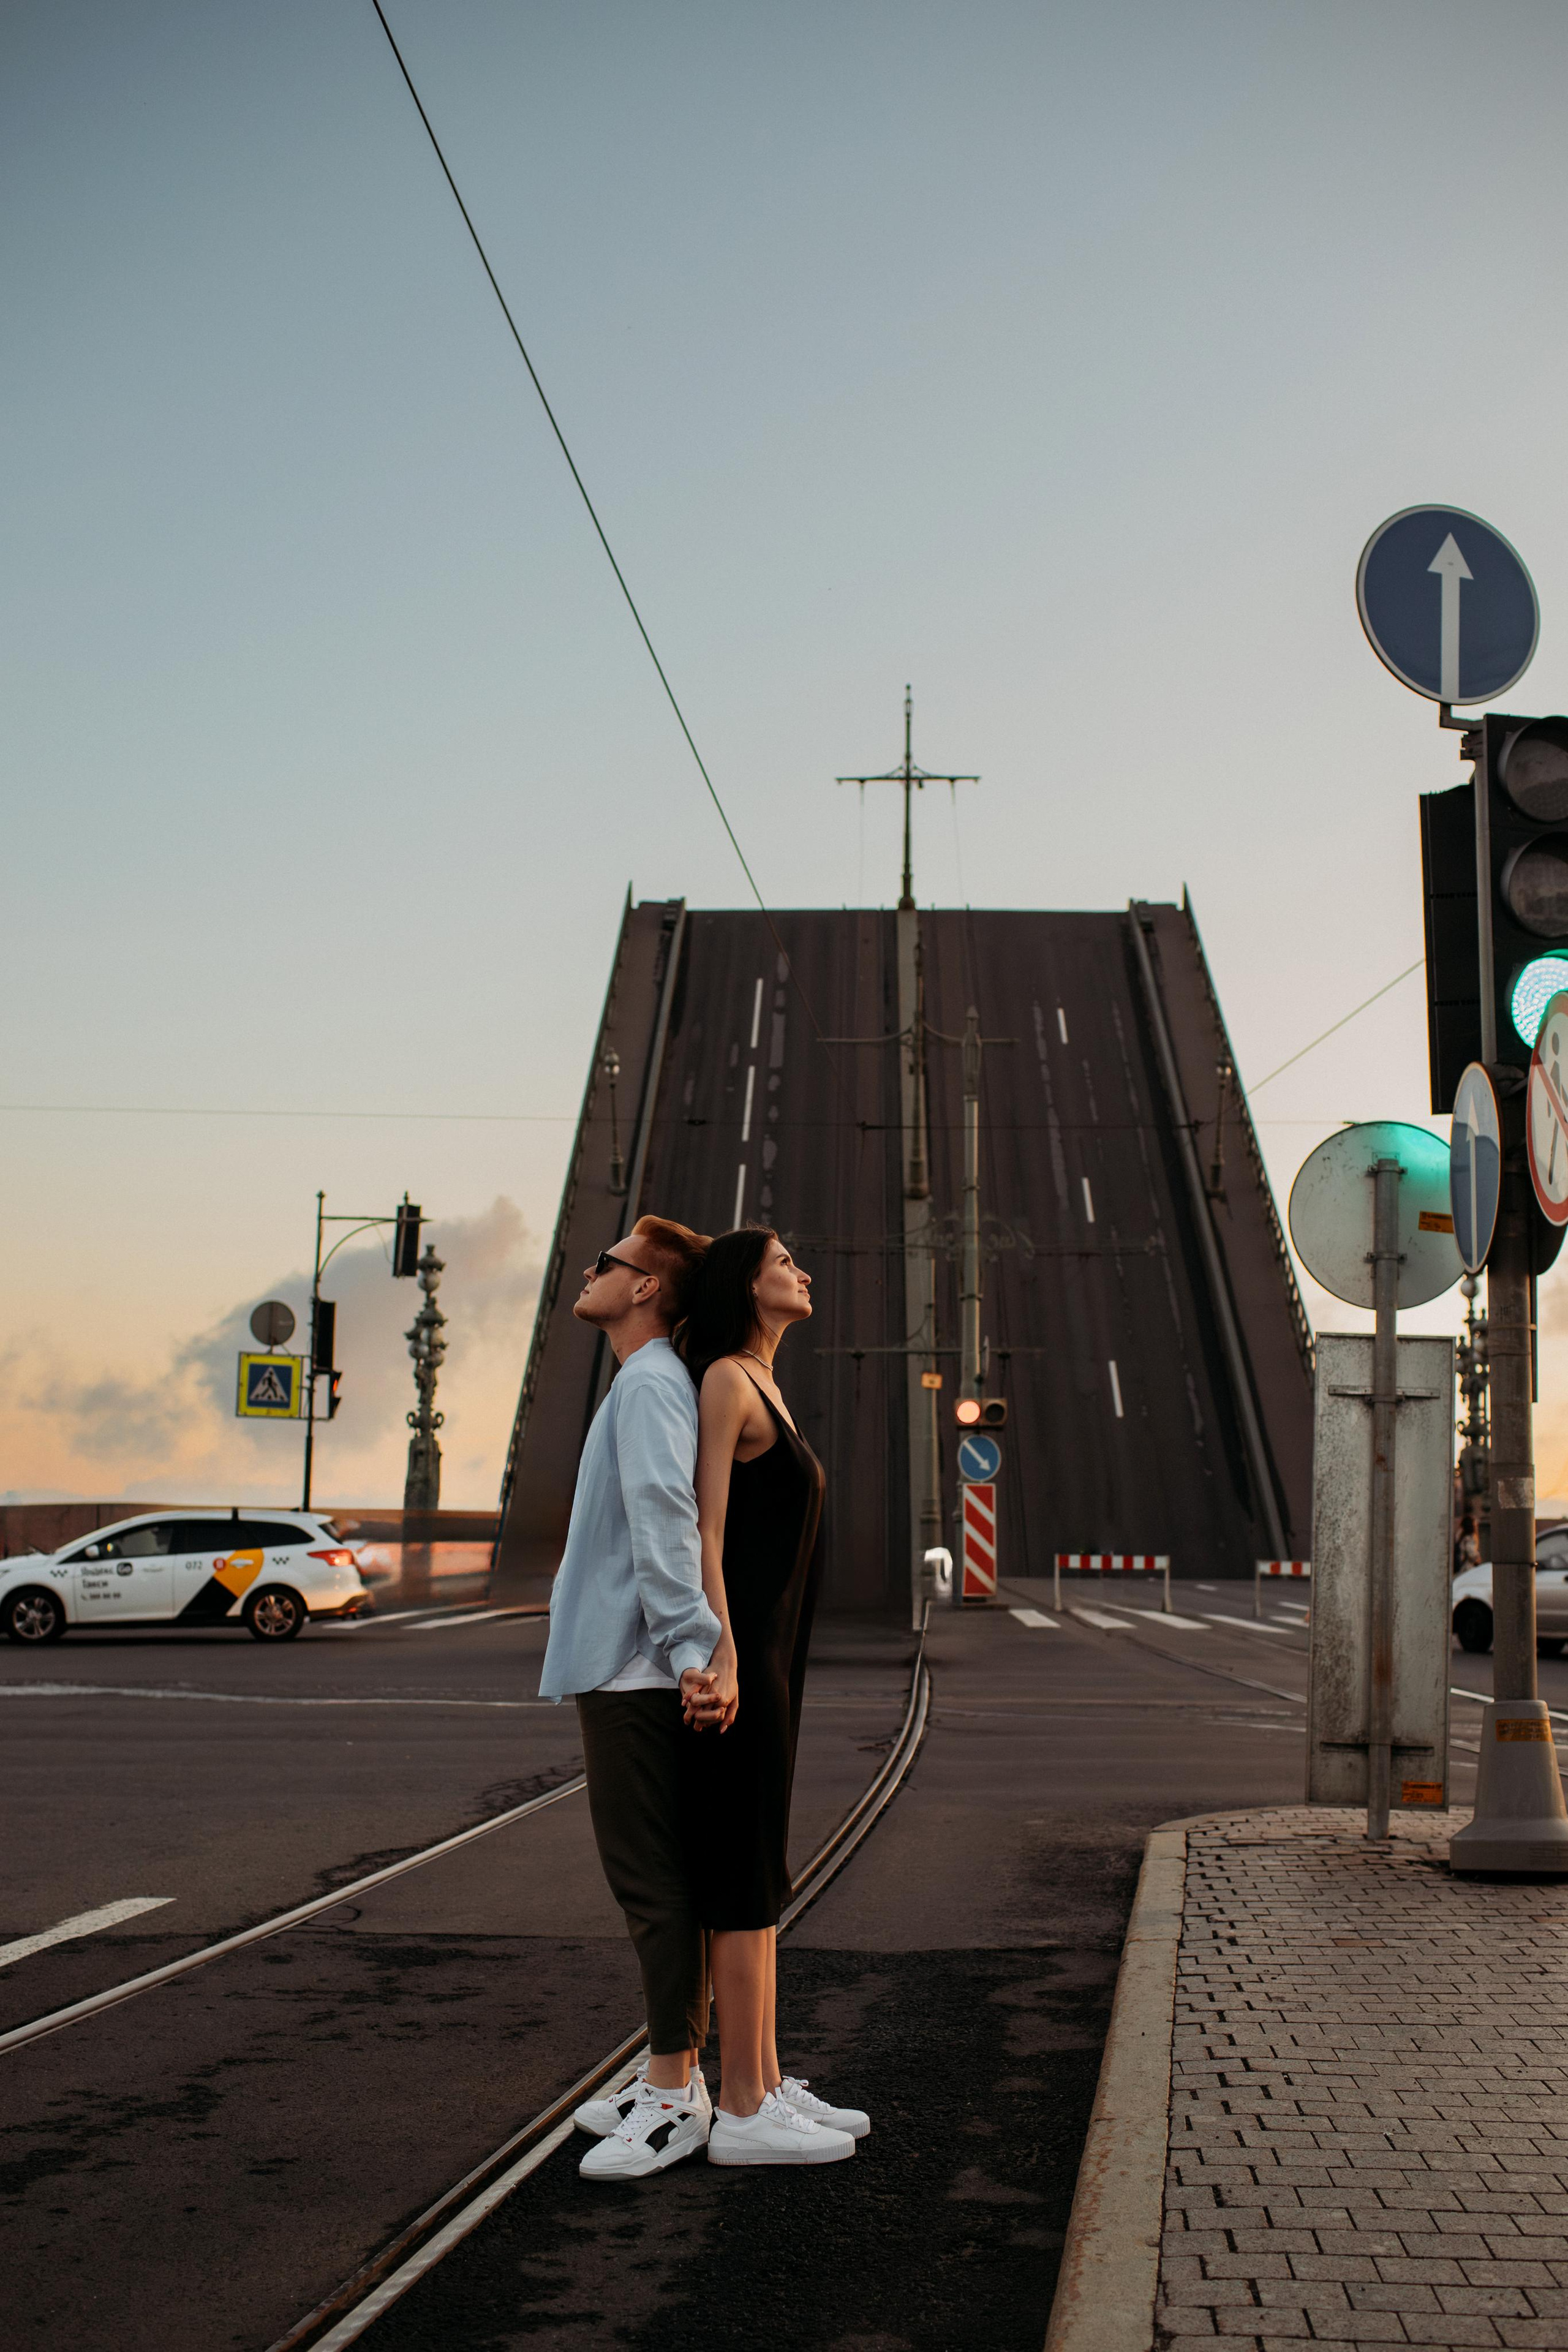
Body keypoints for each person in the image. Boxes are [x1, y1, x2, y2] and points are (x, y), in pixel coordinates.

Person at [538, 1214, 729, 2182]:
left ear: (647, 1288)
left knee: (651, 1884)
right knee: (663, 1882)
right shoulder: (647, 1384)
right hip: (636, 1660)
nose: (591, 1270)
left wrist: (694, 1649)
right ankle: (678, 2070)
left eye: (608, 1262)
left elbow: (666, 1519)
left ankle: (669, 2093)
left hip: (636, 1668)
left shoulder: (651, 1385)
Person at [678, 1226, 869, 2166]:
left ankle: (767, 2071)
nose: (803, 1270)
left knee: (761, 1869)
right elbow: (704, 1529)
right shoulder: (725, 1380)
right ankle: (745, 2108)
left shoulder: (768, 1386)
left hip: (776, 1658)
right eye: (784, 1262)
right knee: (742, 1876)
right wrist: (723, 1651)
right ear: (750, 1290)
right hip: (744, 1658)